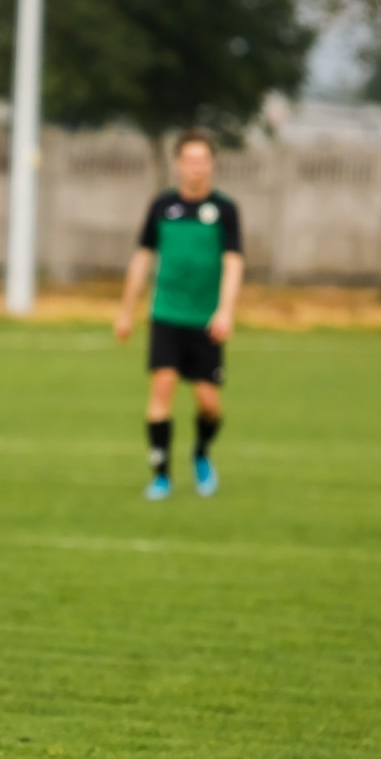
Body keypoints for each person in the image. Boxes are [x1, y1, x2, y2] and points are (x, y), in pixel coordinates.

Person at [114, 130, 244, 500]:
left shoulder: (224, 210)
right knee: (162, 390)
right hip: (166, 315)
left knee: (208, 403)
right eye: (190, 159)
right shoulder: (162, 207)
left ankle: (201, 452)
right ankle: (161, 475)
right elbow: (142, 259)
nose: (196, 167)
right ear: (178, 164)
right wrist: (126, 311)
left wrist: (225, 311)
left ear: (212, 164)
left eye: (203, 159)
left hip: (205, 320)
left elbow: (233, 262)